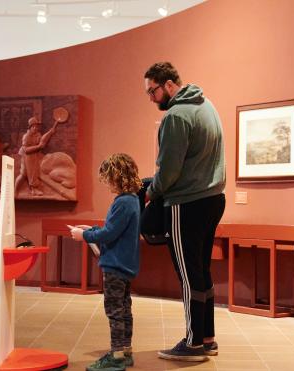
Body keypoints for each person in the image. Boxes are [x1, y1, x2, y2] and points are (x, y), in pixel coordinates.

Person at [144, 62, 226, 362]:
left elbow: (169, 170)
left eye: (152, 91)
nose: (151, 99)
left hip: (186, 203)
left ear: (167, 85)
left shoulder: (176, 116)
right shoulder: (206, 105)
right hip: (214, 199)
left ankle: (192, 343)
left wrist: (151, 192)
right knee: (201, 269)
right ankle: (207, 337)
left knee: (187, 273)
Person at [70, 153, 142, 371]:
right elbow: (114, 231)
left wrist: (84, 236)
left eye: (108, 179)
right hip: (126, 265)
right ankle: (125, 350)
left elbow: (110, 233)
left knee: (114, 310)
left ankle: (117, 355)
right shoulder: (133, 200)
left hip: (115, 265)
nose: (107, 184)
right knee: (124, 308)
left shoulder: (122, 202)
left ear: (117, 177)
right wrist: (90, 230)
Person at [15, 116, 59, 196]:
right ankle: (30, 189)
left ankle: (29, 189)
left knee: (25, 174)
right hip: (27, 156)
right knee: (30, 172)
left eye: (37, 126)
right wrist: (38, 147)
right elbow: (26, 150)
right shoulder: (26, 136)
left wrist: (50, 132)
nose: (35, 128)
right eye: (33, 126)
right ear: (30, 127)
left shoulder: (37, 134)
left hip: (33, 155)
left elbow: (42, 140)